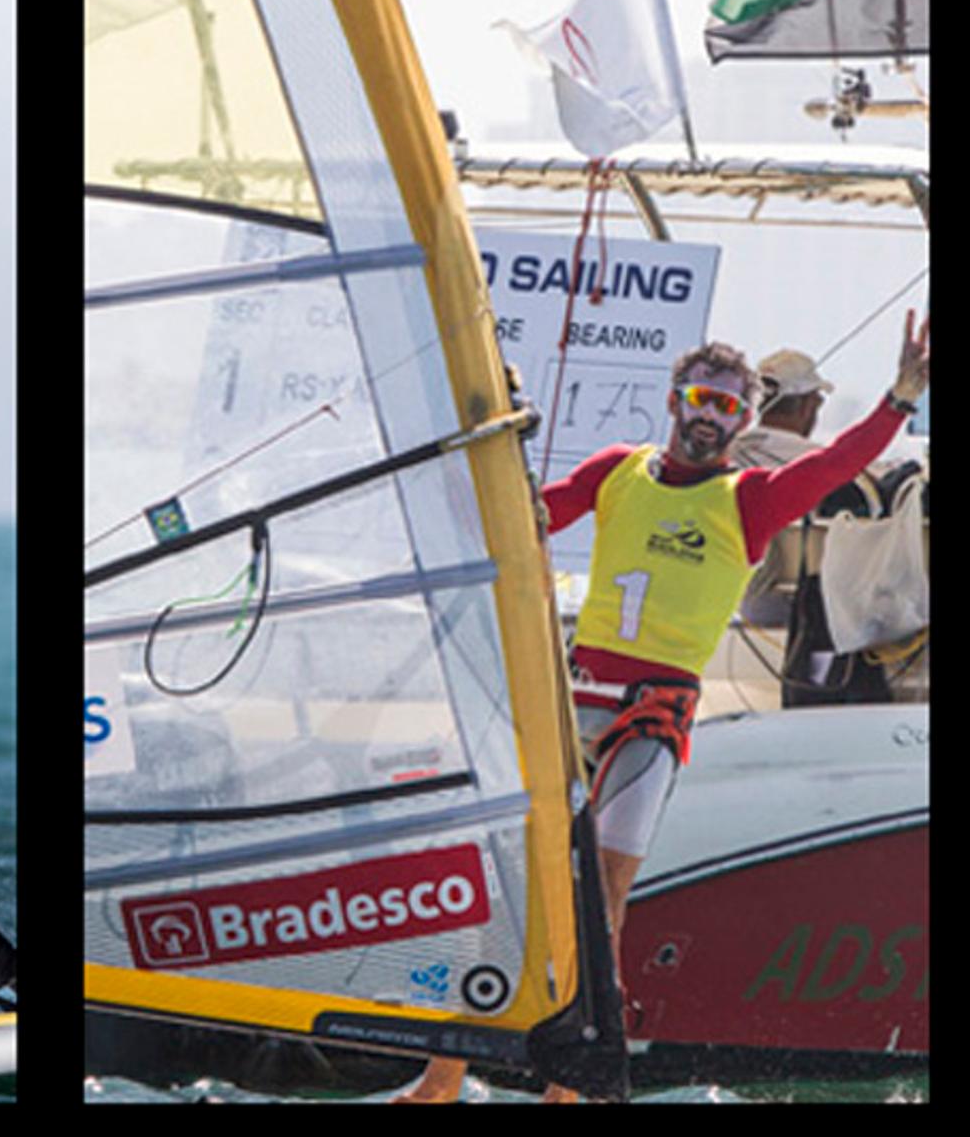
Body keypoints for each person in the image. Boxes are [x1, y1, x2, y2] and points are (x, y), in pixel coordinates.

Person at [394, 310, 929, 1103]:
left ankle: (572, 1087)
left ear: (742, 420)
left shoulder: (746, 501)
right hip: (574, 697)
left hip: (653, 713)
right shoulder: (618, 471)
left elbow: (839, 464)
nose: (710, 416)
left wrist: (899, 398)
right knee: (515, 884)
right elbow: (525, 517)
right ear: (675, 398)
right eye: (699, 398)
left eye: (726, 407)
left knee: (603, 896)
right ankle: (444, 1076)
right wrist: (476, 444)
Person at [731, 349, 897, 626]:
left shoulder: (724, 456)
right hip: (815, 610)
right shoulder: (823, 463)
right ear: (809, 405)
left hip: (743, 601)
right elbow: (891, 481)